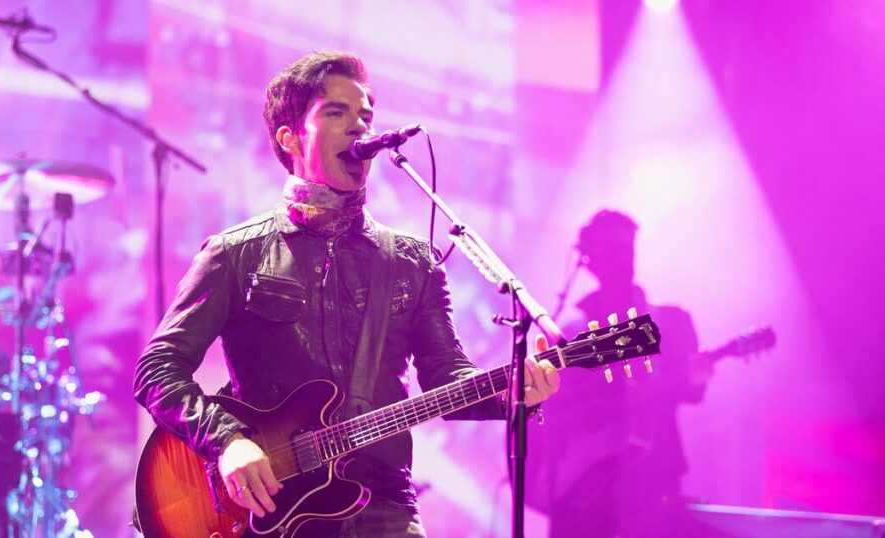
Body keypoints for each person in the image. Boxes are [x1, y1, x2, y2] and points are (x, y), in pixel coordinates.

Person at [134, 51, 560, 537]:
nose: (359, 126)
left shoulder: (411, 261)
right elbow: (156, 369)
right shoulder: (236, 253)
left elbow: (447, 376)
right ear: (290, 137)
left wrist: (511, 391)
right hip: (271, 511)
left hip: (385, 505)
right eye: (336, 113)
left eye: (365, 116)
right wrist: (228, 441)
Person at [526, 209, 715, 537]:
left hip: (649, 483)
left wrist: (696, 377)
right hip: (582, 490)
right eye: (611, 249)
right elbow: (549, 404)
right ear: (589, 261)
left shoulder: (671, 321)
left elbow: (692, 391)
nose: (623, 258)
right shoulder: (570, 331)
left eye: (627, 248)